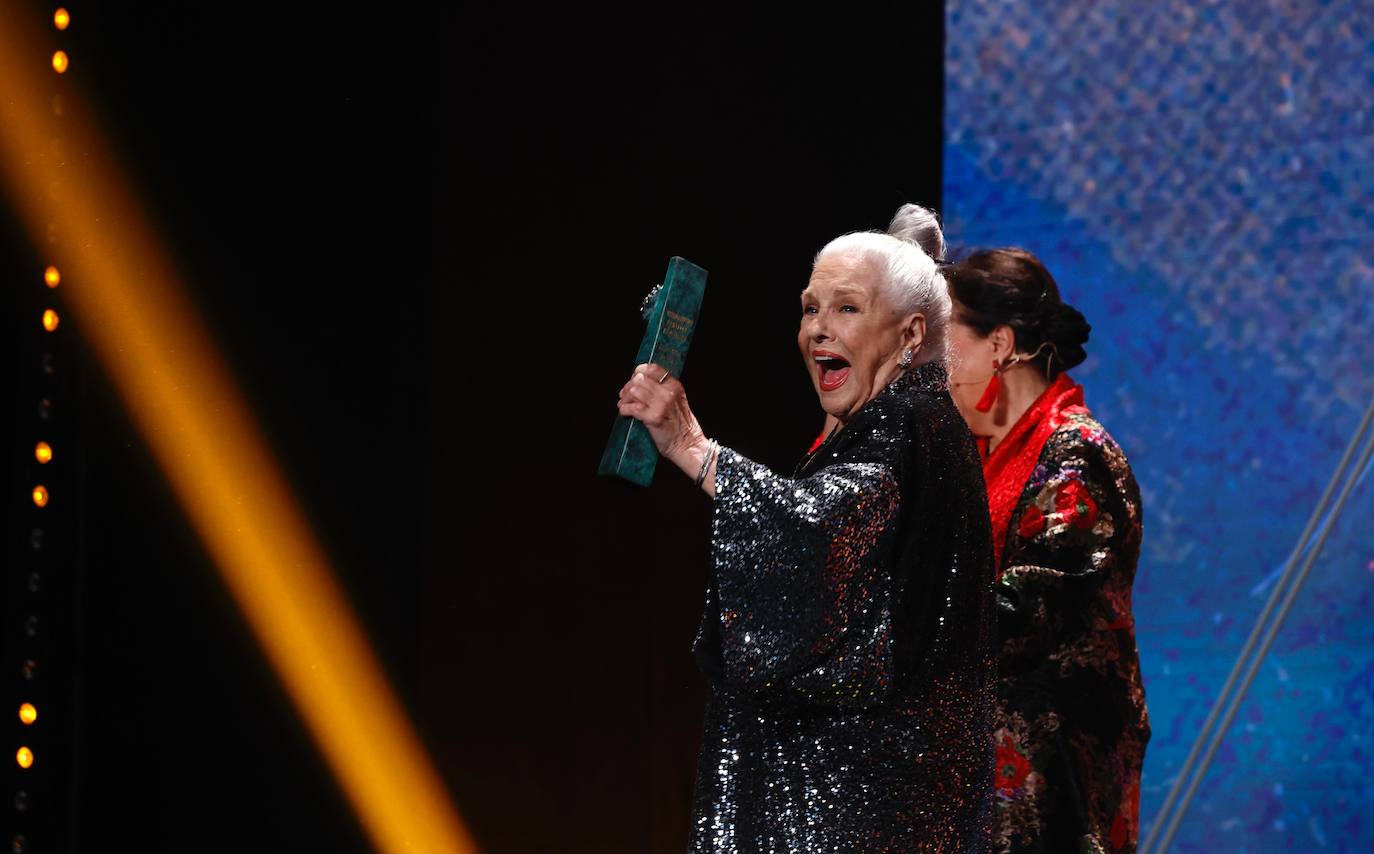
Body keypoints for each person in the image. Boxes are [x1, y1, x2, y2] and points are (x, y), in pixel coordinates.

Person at [617, 225, 996, 851]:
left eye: (847, 308)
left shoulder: (907, 424)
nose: (818, 328)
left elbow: (818, 531)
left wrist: (693, 448)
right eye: (810, 308)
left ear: (911, 335)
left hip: (865, 796)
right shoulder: (911, 423)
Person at [943, 249, 1150, 853]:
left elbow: (1025, 614)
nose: (932, 370)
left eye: (944, 343)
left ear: (999, 345)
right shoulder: (986, 460)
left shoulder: (1077, 453)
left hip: (1051, 774)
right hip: (986, 764)